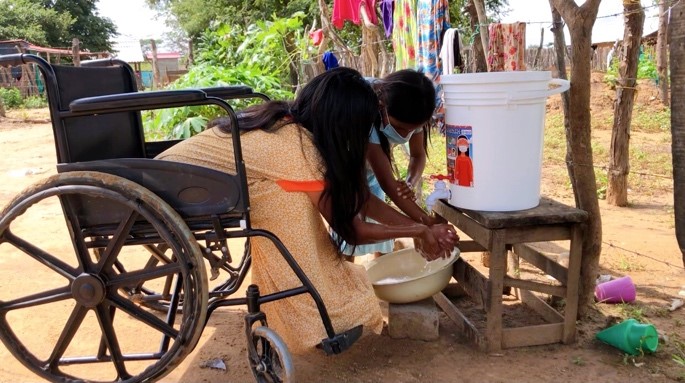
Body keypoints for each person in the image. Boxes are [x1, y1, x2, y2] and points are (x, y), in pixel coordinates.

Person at [156, 67, 458, 354]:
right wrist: (418, 228)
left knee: (288, 203)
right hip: (169, 191)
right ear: (342, 125)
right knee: (291, 209)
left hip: (181, 185)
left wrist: (420, 227)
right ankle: (314, 310)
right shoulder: (296, 150)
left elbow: (360, 198)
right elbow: (351, 228)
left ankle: (307, 310)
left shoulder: (293, 129)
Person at [343, 69, 442, 258]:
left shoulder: (415, 108)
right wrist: (425, 224)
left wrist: (410, 182)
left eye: (411, 131)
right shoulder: (365, 111)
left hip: (372, 171)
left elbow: (417, 156)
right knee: (351, 234)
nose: (404, 135)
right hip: (346, 168)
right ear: (382, 107)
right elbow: (388, 185)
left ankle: (381, 274)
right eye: (399, 128)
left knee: (383, 234)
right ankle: (347, 276)